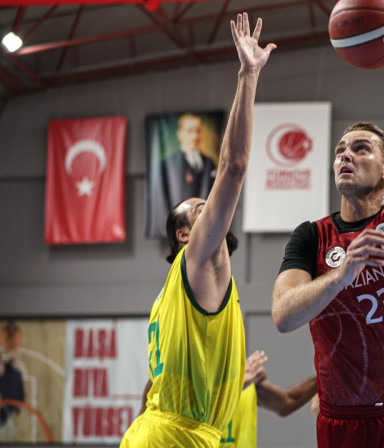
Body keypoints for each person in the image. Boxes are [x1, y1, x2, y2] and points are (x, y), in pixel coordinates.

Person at [272, 7, 384, 447]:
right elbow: (282, 315)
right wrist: (342, 275)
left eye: (361, 148)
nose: (345, 156)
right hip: (343, 424)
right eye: (339, 150)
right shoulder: (311, 236)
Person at [121, 13, 276, 447]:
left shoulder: (167, 298)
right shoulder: (197, 260)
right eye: (200, 208)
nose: (211, 210)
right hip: (176, 438)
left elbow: (152, 389)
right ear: (186, 235)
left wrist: (225, 379)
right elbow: (234, 165)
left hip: (154, 432)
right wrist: (248, 76)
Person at [220, 350, 317, 447]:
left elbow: (288, 402)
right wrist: (233, 386)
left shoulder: (246, 372)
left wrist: (326, 375)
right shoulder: (207, 381)